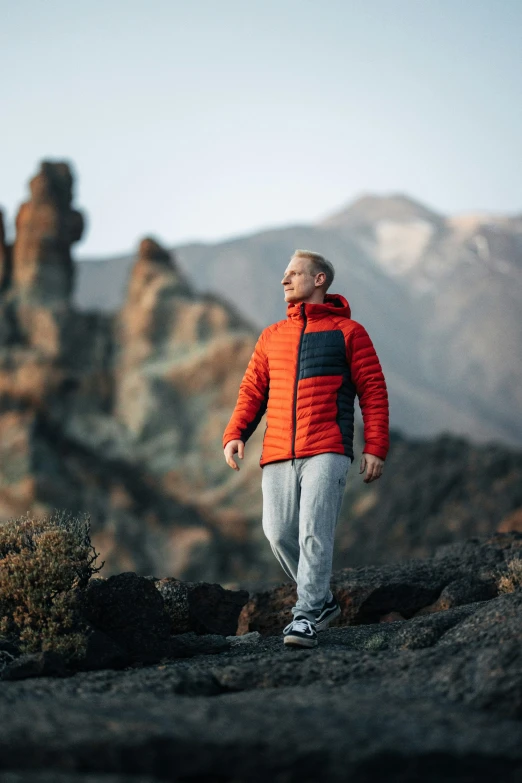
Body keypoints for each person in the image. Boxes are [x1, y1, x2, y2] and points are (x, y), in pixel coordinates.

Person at [223, 249, 389, 648]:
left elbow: (373, 391)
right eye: (284, 274)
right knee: (278, 532)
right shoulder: (271, 336)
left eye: (294, 273)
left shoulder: (350, 333)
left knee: (314, 530)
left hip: (328, 447)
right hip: (278, 450)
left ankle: (307, 616)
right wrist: (235, 433)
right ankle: (324, 600)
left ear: (319, 280)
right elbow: (252, 391)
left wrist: (375, 446)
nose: (285, 280)